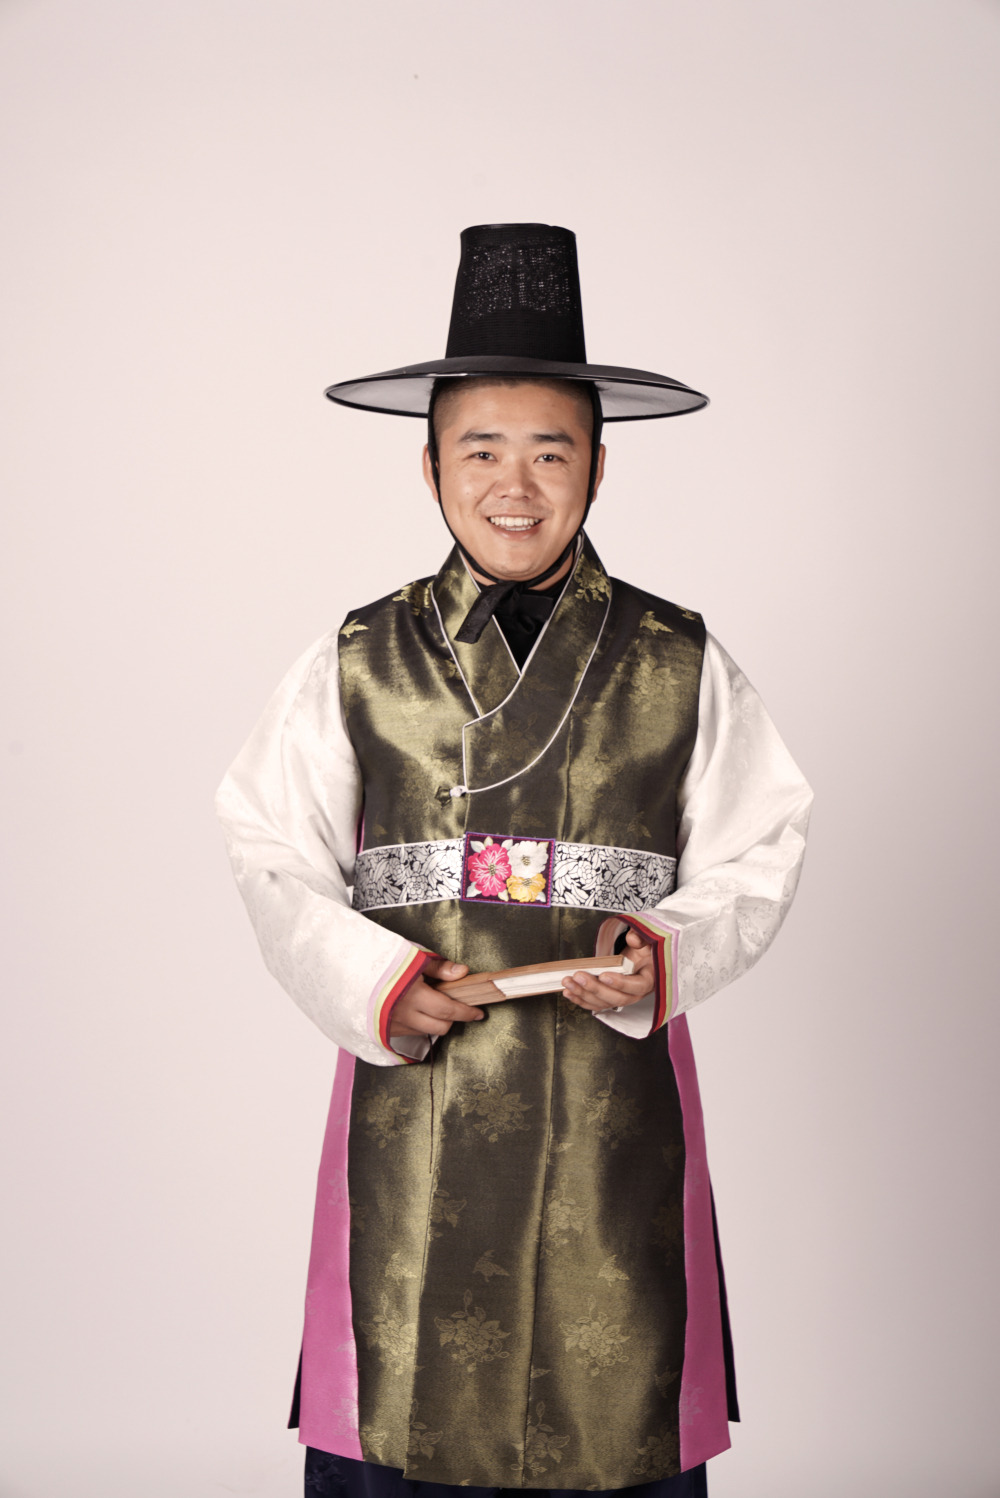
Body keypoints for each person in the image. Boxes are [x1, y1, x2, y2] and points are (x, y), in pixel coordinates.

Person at [215, 224, 813, 1498]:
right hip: (413, 1092)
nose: (515, 485)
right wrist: (376, 982)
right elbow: (270, 843)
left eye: (551, 450)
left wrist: (660, 951)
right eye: (480, 449)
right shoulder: (359, 654)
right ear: (430, 464)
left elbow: (760, 844)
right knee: (400, 1388)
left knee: (615, 1389)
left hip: (609, 1105)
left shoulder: (676, 657)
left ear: (597, 464)